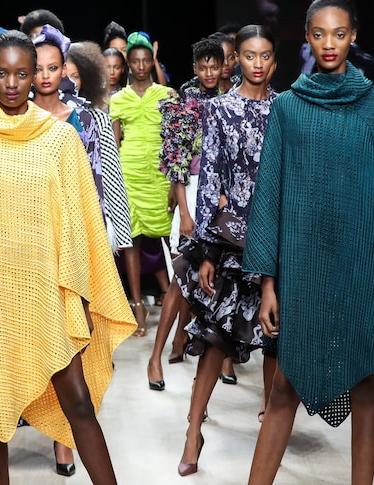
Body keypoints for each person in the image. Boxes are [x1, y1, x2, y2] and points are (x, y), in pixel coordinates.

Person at [0, 29, 136, 485]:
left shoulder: (59, 140)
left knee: (78, 401)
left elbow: (81, 226)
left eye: (22, 72)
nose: (12, 83)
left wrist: (85, 296)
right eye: (2, 73)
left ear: (36, 75)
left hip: (48, 295)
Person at [243, 1, 374, 483]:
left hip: (365, 266)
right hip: (303, 267)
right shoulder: (288, 108)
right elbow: (270, 194)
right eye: (319, 34)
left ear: (353, 35)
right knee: (285, 388)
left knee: (366, 383)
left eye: (338, 34)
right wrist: (268, 284)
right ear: (307, 39)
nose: (329, 44)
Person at [173, 24, 279, 477]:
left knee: (278, 342)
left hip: (277, 238)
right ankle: (193, 431)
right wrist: (208, 253)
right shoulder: (218, 110)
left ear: (274, 61)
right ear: (239, 59)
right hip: (232, 240)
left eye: (266, 55)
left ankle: (270, 424)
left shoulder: (287, 110)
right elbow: (210, 181)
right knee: (217, 338)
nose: (258, 63)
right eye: (250, 55)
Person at [147, 36, 225, 391]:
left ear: (223, 66)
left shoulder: (230, 101)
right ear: (195, 68)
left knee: (218, 280)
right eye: (203, 67)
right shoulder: (183, 104)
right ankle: (155, 358)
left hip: (222, 199)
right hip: (192, 194)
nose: (209, 72)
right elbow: (175, 166)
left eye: (214, 65)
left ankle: (207, 354)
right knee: (180, 281)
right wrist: (185, 212)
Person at [108, 32, 174, 337]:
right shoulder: (118, 99)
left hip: (160, 176)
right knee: (131, 240)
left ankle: (181, 302)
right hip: (129, 174)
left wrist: (175, 181)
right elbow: (114, 141)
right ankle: (137, 304)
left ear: (152, 61)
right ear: (128, 64)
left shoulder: (166, 95)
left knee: (171, 241)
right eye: (134, 60)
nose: (140, 65)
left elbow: (176, 143)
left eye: (146, 59)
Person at [65, 40, 133, 252]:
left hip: (88, 217)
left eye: (75, 76)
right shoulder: (35, 117)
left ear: (86, 79)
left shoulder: (97, 119)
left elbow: (112, 176)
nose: (69, 82)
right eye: (64, 74)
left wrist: (121, 233)